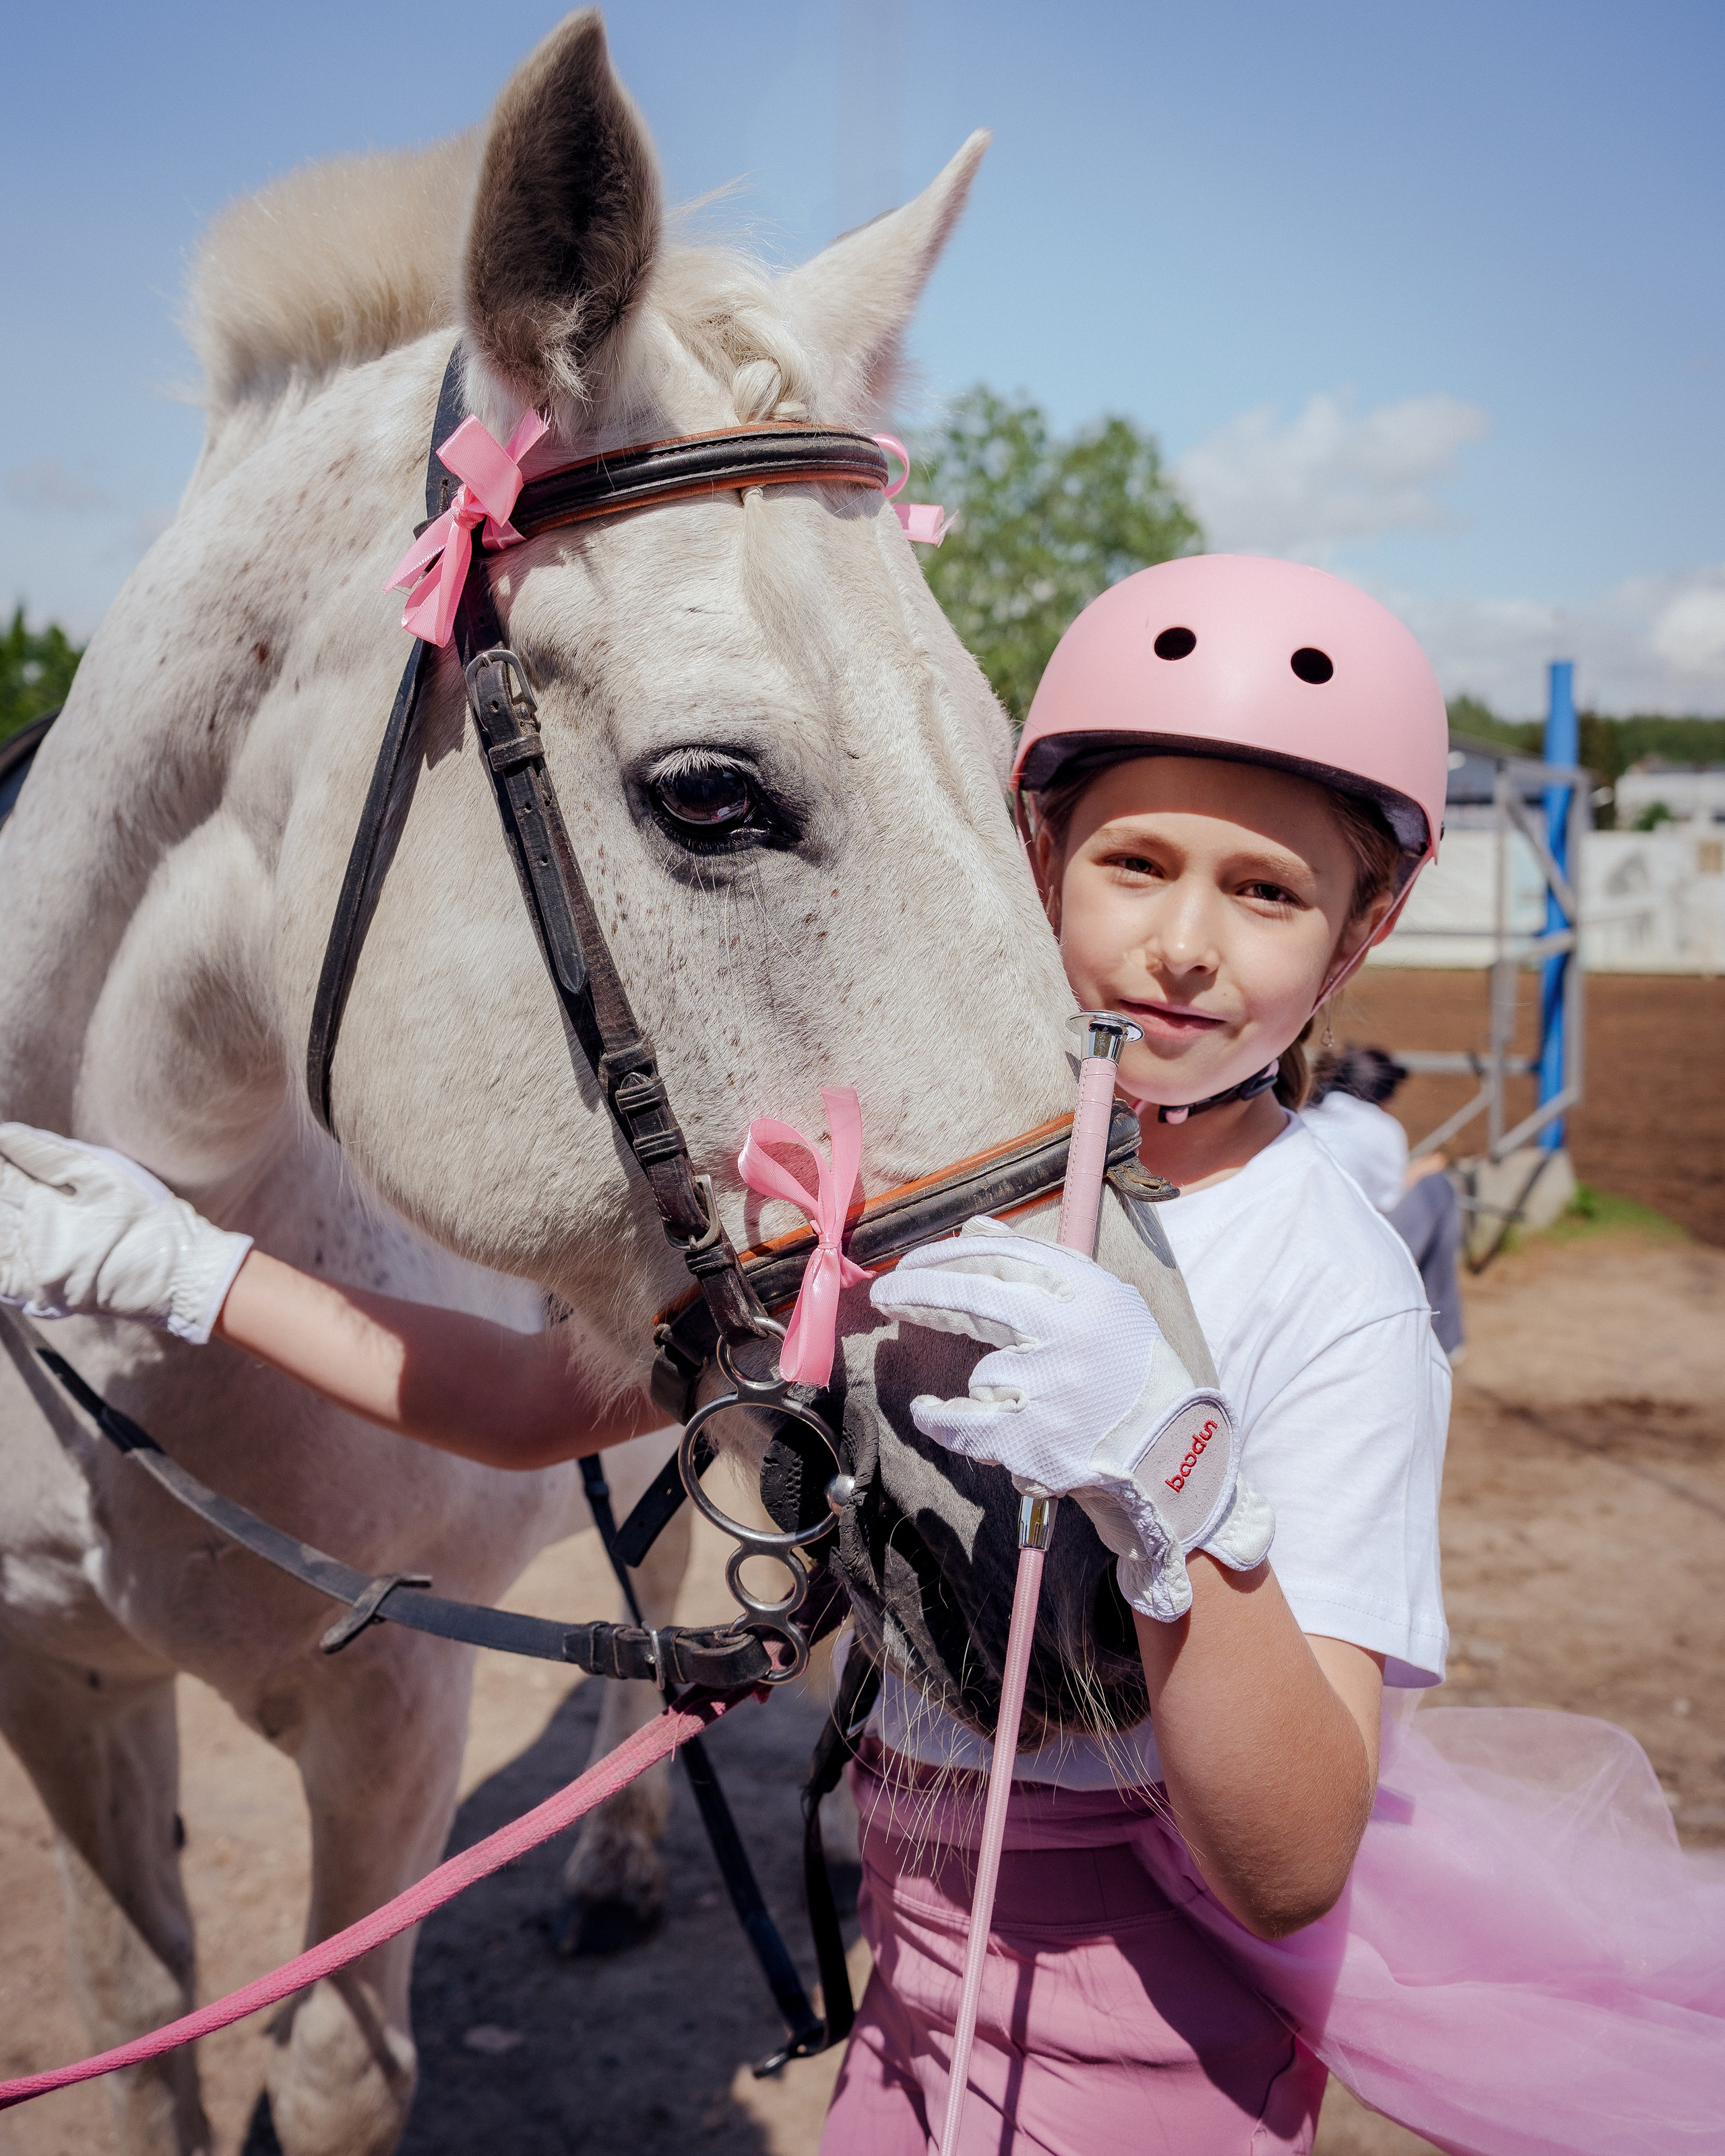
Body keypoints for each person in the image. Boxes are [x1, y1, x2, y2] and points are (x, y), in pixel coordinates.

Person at [2, 557, 1719, 2155]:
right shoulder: (895, 1199)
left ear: (1359, 929)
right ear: (1025, 858)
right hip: (909, 2001)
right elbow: (527, 1403)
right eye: (1134, 864)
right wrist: (193, 1270)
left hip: (1144, 2045)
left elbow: (1284, 1859)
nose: (1186, 944)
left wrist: (1175, 1486)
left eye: (1266, 890)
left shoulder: (1328, 1283)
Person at [1303, 1043, 1467, 1358]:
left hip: (1304, 1250)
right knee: (1438, 1186)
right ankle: (1443, 1340)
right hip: (1349, 1261)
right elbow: (1389, 1201)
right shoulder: (1382, 1127)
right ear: (1384, 1094)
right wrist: (1420, 1171)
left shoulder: (1304, 1117)